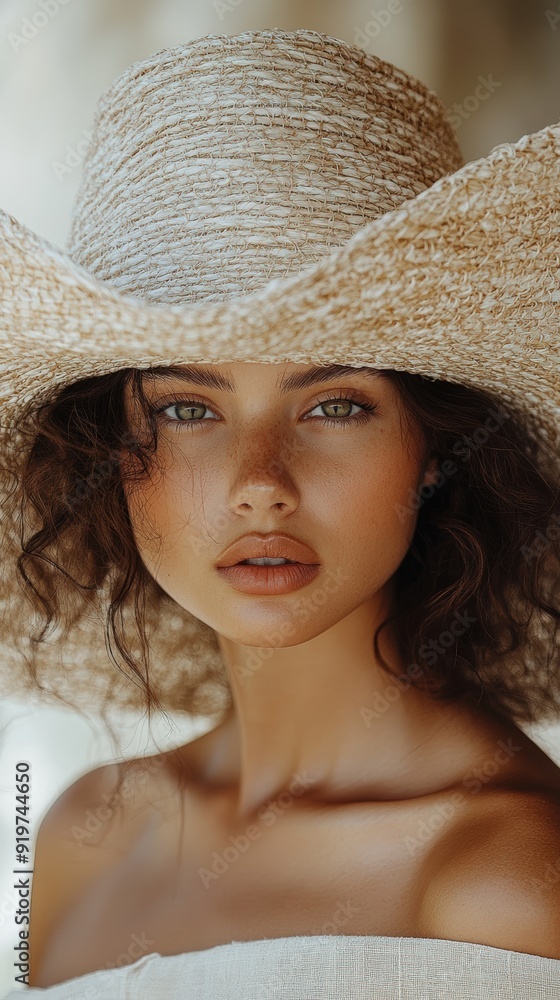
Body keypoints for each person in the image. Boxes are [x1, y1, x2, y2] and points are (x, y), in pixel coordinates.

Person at [1, 27, 560, 1000]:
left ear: (433, 447)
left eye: (333, 405)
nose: (260, 481)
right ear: (105, 454)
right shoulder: (74, 840)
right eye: (186, 408)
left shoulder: (507, 881)